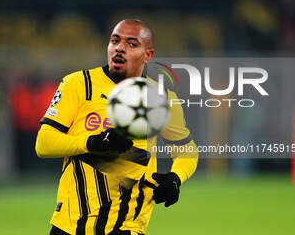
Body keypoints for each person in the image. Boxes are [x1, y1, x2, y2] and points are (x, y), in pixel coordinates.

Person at [35, 19, 198, 235]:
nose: (120, 48)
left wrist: (175, 178)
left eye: (132, 44)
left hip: (126, 226)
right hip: (70, 225)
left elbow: (187, 150)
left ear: (148, 55)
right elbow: (43, 144)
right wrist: (92, 142)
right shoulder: (78, 84)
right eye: (115, 41)